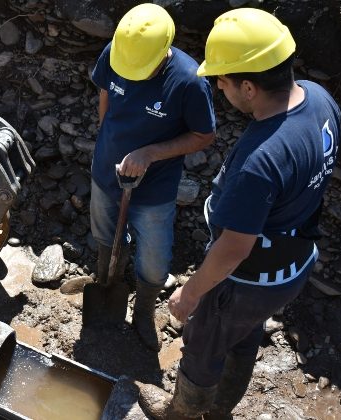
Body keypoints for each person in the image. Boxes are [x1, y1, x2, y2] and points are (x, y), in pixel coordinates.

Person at [137, 8, 341, 419]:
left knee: (205, 342)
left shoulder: (261, 160)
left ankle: (183, 413)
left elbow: (234, 249)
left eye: (222, 80)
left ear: (248, 87)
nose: (217, 87)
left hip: (248, 278)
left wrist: (190, 294)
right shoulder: (319, 99)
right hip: (292, 263)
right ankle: (222, 406)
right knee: (244, 334)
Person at [89, 3, 215, 350]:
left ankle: (144, 309)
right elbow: (105, 98)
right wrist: (107, 143)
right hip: (106, 173)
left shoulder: (189, 81)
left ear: (165, 51)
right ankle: (106, 283)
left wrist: (150, 153)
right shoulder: (117, 53)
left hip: (154, 187)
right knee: (104, 236)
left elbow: (204, 135)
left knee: (155, 259)